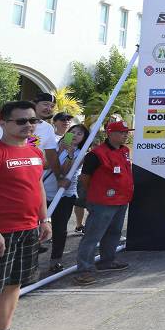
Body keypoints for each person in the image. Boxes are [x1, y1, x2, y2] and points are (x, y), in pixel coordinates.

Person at [0, 101, 51, 330]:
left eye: (32, 121)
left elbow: (38, 187)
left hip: (29, 228)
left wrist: (45, 219)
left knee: (14, 284)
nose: (28, 126)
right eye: (21, 121)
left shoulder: (35, 153)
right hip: (3, 232)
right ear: (3, 122)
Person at [73, 121, 135, 285]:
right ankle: (83, 270)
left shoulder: (125, 150)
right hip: (102, 202)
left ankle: (107, 260)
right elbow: (85, 178)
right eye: (121, 132)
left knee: (114, 233)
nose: (125, 134)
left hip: (121, 200)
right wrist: (96, 194)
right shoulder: (96, 154)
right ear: (110, 133)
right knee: (93, 236)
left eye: (126, 132)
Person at [45, 123, 91, 273]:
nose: (75, 135)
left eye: (80, 134)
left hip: (64, 195)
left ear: (84, 139)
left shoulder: (81, 153)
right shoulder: (53, 145)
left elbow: (65, 172)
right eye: (73, 132)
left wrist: (70, 154)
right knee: (34, 227)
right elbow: (45, 165)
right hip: (43, 192)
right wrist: (58, 151)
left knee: (60, 229)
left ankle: (55, 261)